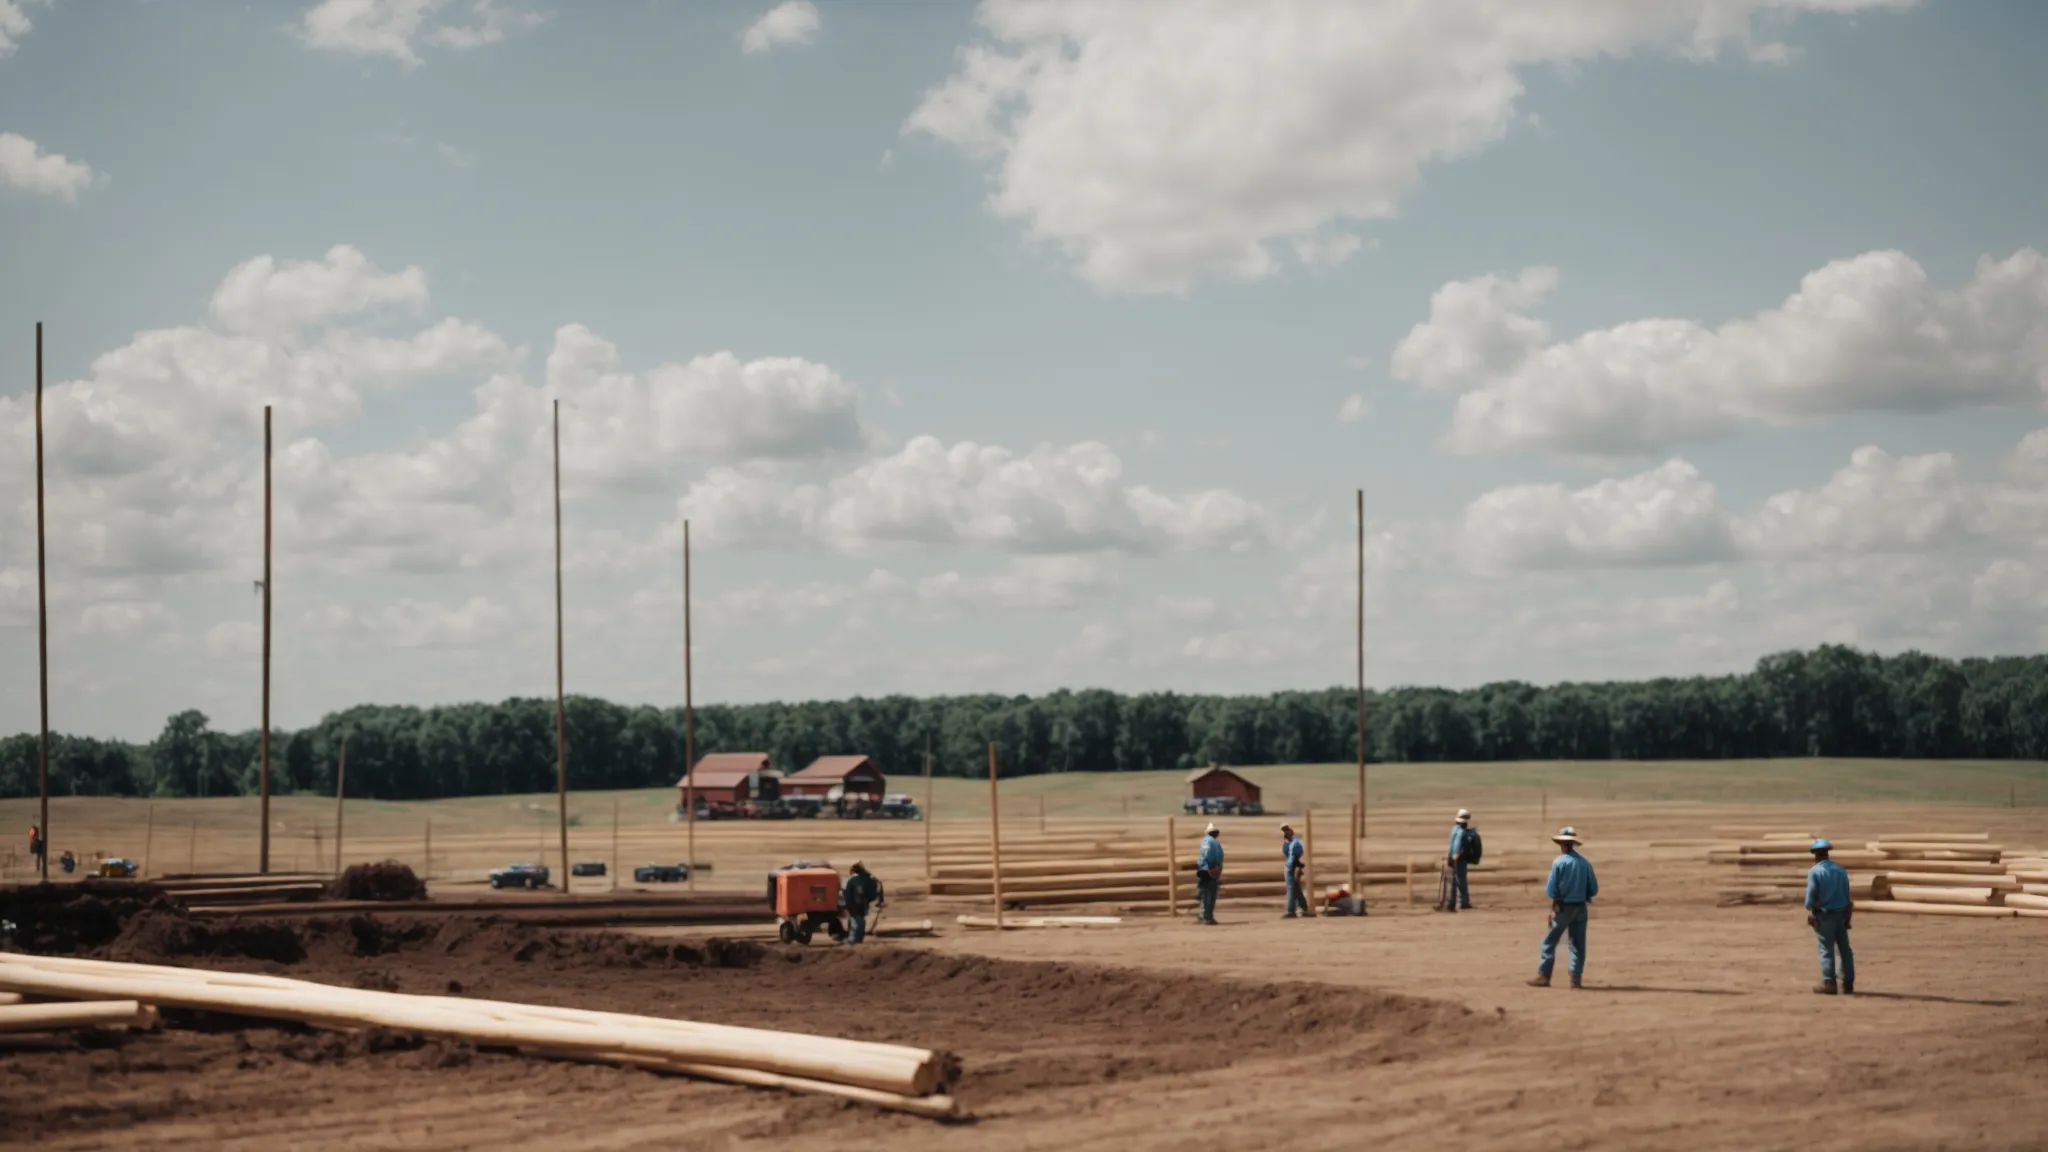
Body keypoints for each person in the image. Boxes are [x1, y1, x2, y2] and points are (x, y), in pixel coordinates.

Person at [1528, 827, 1598, 989]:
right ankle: (1575, 979)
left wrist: (1555, 905)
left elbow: (1551, 889)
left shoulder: (1559, 862)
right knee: (1578, 945)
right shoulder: (1585, 863)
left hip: (1564, 908)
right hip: (1581, 908)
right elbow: (1593, 889)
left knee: (1549, 942)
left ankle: (1544, 976)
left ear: (1561, 843)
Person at [1805, 838, 1855, 995]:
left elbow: (1809, 901)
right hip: (1841, 914)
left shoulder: (1815, 872)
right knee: (1844, 949)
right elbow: (1847, 896)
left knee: (1826, 949)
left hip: (1825, 916)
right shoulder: (1840, 870)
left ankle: (1829, 983)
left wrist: (1813, 907)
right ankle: (1848, 983)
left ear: (1816, 855)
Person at [841, 860, 882, 945]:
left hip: (854, 904)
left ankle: (853, 940)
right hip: (864, 903)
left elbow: (847, 893)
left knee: (855, 922)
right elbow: (874, 892)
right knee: (860, 921)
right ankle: (858, 939)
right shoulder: (870, 879)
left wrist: (846, 904)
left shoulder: (851, 880)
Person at [1446, 809, 1476, 912]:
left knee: (1455, 880)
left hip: (1453, 857)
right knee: (1460, 880)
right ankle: (1463, 902)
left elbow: (1452, 845)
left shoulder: (1454, 830)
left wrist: (1450, 856)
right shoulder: (1461, 832)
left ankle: (1454, 902)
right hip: (1458, 858)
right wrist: (1455, 856)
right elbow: (1458, 845)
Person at [1195, 822, 1224, 925]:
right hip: (1213, 869)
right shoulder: (1216, 843)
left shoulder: (1206, 841)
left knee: (1205, 893)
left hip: (1206, 869)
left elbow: (1205, 854)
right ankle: (1208, 916)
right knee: (1210, 894)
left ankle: (1205, 916)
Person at [1281, 823, 1308, 918]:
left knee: (1291, 890)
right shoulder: (1287, 842)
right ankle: (1304, 908)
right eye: (1284, 830)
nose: (1285, 832)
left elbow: (1298, 857)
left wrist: (1299, 869)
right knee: (1296, 889)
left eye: (1287, 830)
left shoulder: (1296, 843)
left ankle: (1291, 910)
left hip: (1293, 867)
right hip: (1289, 867)